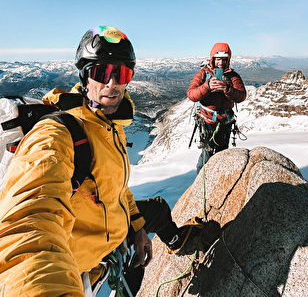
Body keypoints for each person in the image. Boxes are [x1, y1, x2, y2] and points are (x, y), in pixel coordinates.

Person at [0, 26, 197, 296]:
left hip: (112, 241)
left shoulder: (109, 125)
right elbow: (29, 224)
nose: (112, 83)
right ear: (85, 76)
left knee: (158, 211)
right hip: (83, 264)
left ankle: (175, 241)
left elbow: (114, 184)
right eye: (102, 72)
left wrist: (138, 228)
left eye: (122, 73)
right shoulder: (56, 134)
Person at [187, 42, 246, 173]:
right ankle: (202, 181)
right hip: (207, 122)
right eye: (218, 59)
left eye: (224, 60)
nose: (221, 63)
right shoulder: (203, 74)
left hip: (224, 122)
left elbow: (241, 96)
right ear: (213, 59)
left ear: (228, 60)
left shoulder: (233, 76)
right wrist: (207, 86)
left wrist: (228, 89)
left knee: (222, 153)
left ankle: (217, 180)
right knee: (207, 154)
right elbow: (191, 94)